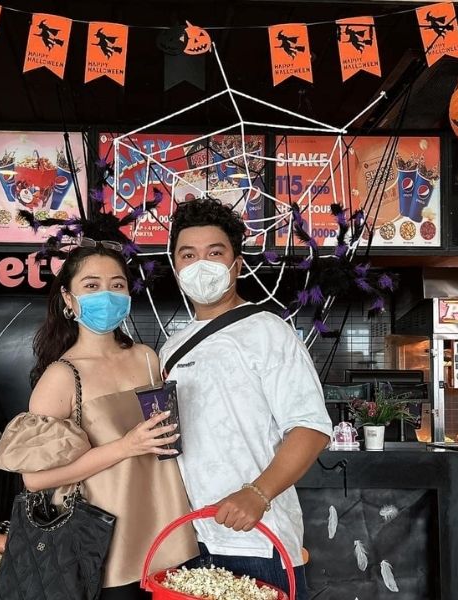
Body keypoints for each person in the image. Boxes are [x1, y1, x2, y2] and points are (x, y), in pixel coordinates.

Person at [0, 241, 197, 600]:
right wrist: (126, 446)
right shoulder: (61, 376)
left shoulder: (147, 359)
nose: (107, 295)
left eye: (117, 285)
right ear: (68, 299)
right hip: (104, 541)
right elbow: (35, 479)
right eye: (92, 285)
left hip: (166, 526)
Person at [160, 198, 333, 600]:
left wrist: (258, 493)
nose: (201, 264)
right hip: (189, 539)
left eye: (214, 253)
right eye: (188, 255)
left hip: (258, 542)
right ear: (176, 267)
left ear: (236, 264)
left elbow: (310, 427)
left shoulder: (268, 331)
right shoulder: (170, 348)